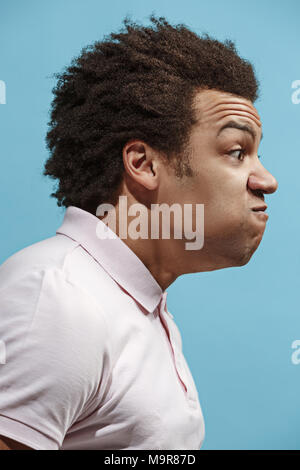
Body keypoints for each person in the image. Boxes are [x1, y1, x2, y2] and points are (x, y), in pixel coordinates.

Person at [0, 15, 278, 450]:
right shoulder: (59, 298)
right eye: (237, 152)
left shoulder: (137, 304)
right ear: (144, 164)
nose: (266, 180)